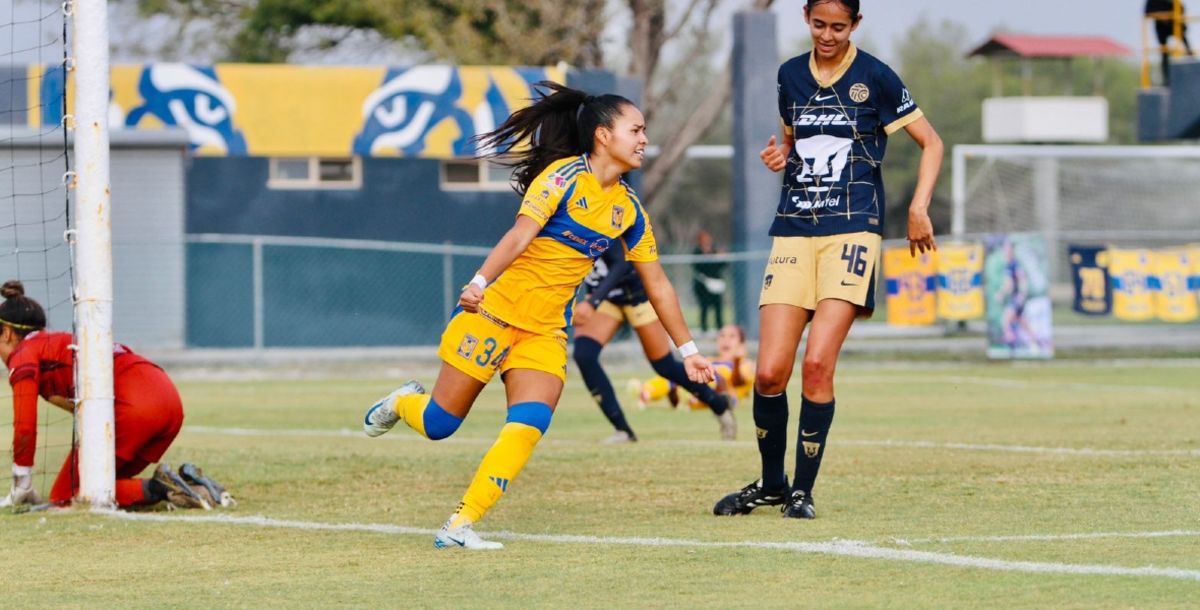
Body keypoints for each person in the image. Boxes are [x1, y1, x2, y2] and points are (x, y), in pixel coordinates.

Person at [361, 82, 716, 550]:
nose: (644, 139)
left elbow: (659, 284)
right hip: (491, 312)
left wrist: (688, 352)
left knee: (529, 423)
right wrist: (478, 283)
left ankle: (459, 525)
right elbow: (519, 237)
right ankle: (402, 401)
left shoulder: (629, 208)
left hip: (545, 331)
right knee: (439, 425)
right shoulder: (562, 177)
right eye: (636, 129)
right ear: (604, 135)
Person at [712, 0, 941, 520]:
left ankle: (802, 491)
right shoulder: (789, 75)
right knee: (769, 373)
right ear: (806, 19)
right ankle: (773, 484)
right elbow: (795, 145)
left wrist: (918, 207)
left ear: (855, 24)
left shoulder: (875, 77)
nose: (828, 35)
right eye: (819, 25)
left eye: (839, 26)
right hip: (793, 231)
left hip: (854, 231)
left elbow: (932, 143)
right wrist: (781, 157)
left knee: (816, 365)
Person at [0, 281, 232, 511]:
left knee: (67, 494)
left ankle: (161, 487)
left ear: (8, 333)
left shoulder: (23, 354)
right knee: (101, 481)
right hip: (167, 397)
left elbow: (25, 426)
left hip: (136, 405)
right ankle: (195, 486)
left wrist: (22, 481)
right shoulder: (59, 343)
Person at [574, 246, 737, 443]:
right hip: (606, 299)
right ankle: (622, 429)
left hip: (637, 295)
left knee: (664, 365)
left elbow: (621, 263)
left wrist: (591, 302)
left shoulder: (606, 218)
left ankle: (719, 405)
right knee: (584, 355)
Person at [634, 323, 753, 412]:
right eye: (722, 336)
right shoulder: (710, 360)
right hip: (696, 393)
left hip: (725, 397)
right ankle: (647, 392)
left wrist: (737, 361)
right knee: (676, 372)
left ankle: (692, 396)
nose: (726, 340)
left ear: (741, 344)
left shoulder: (745, 364)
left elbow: (739, 382)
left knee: (712, 374)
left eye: (732, 336)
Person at [1146, 0, 1194, 86]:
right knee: (1164, 53)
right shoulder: (1152, 1)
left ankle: (1193, 71)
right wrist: (1162, 17)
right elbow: (1147, 13)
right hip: (1161, 28)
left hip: (1174, 24)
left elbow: (1182, 9)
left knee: (1187, 49)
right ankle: (1166, 79)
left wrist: (1170, 16)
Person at [691, 230, 728, 335]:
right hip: (703, 285)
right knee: (704, 306)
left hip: (715, 284)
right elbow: (698, 267)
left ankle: (720, 328)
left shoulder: (714, 251)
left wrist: (721, 256)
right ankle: (704, 328)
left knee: (718, 306)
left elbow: (722, 265)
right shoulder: (697, 252)